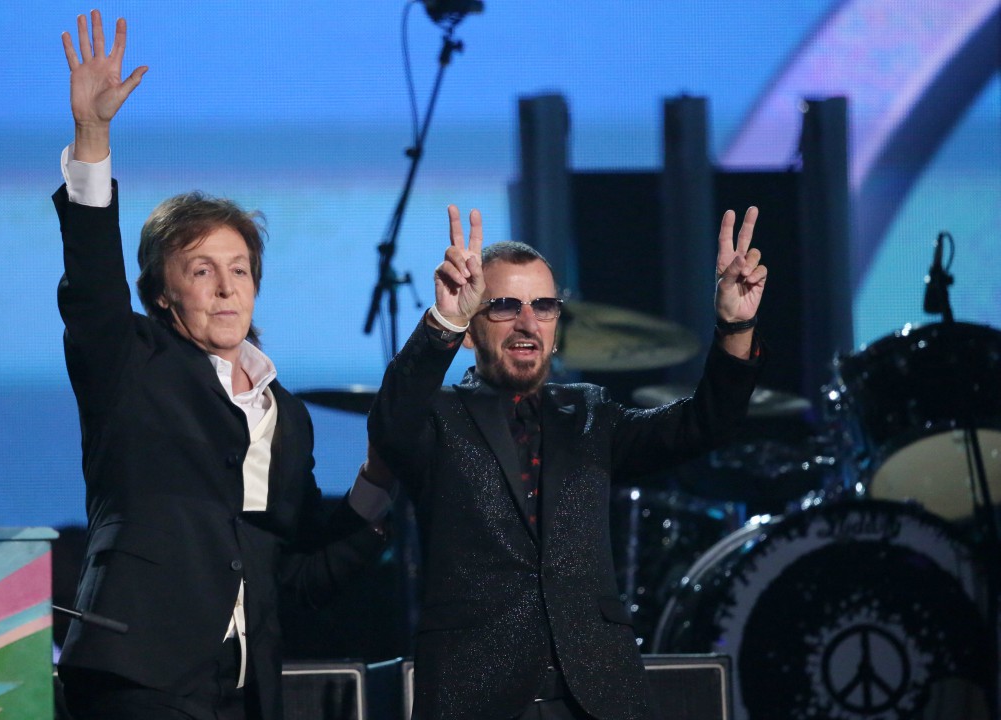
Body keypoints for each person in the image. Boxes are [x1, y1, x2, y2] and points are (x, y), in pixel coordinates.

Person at [52, 11, 391, 719]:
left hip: (242, 689)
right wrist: (92, 135)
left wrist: (375, 490)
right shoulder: (132, 364)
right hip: (137, 676)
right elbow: (92, 284)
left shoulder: (284, 413)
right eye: (201, 269)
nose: (226, 286)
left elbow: (298, 570)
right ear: (161, 293)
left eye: (239, 269)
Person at [368, 205, 766, 720]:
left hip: (596, 697)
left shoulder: (590, 413)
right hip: (475, 695)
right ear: (470, 329)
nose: (527, 323)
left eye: (544, 306)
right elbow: (390, 425)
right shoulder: (438, 418)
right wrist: (443, 320)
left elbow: (703, 425)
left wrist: (737, 326)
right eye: (504, 306)